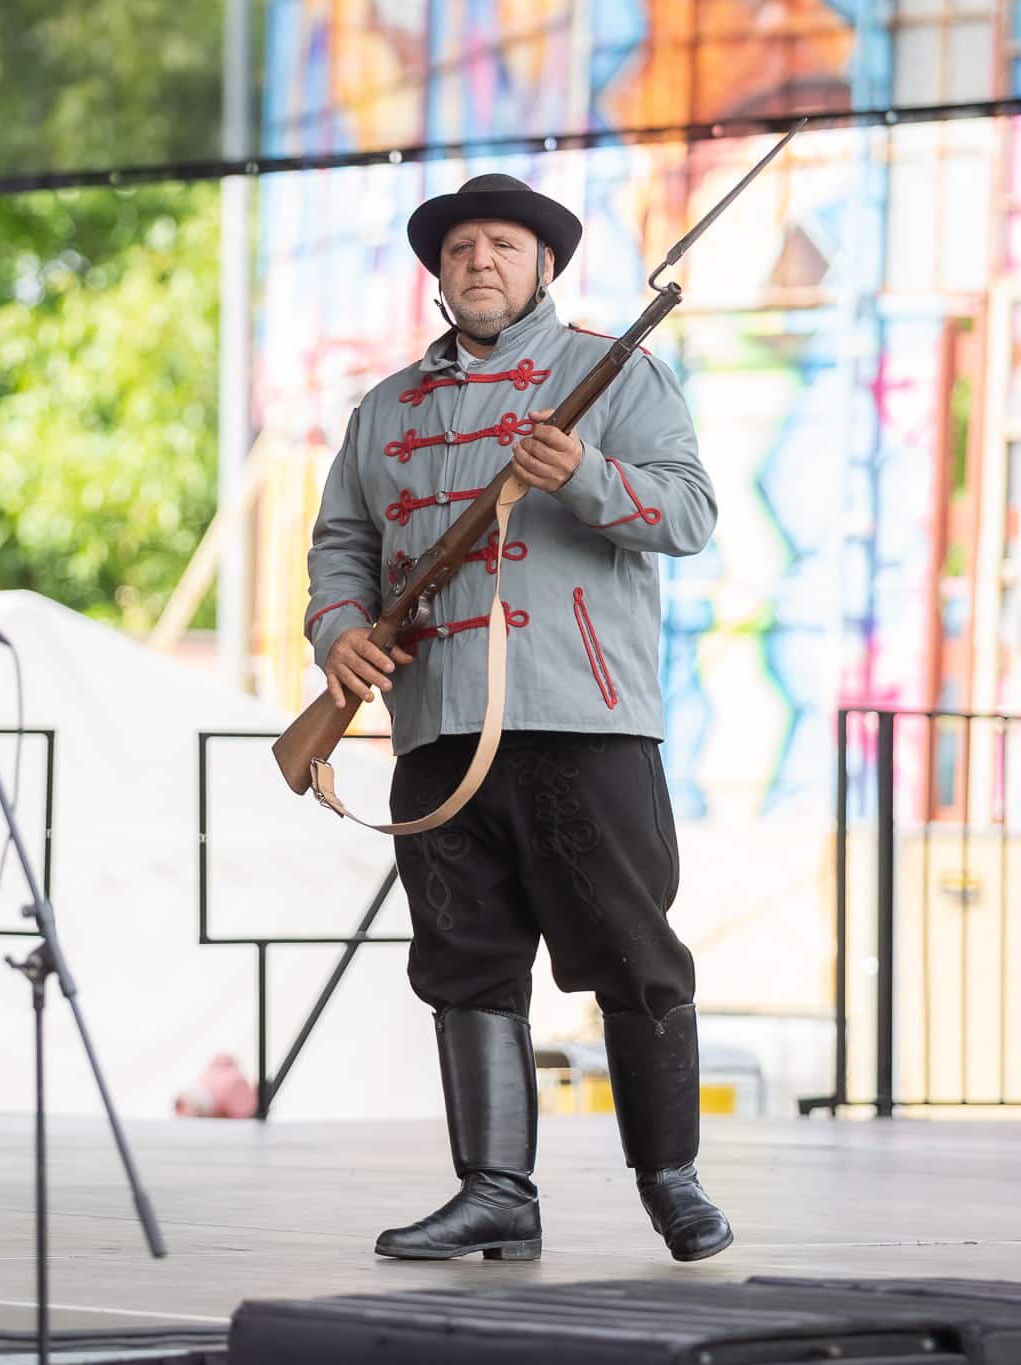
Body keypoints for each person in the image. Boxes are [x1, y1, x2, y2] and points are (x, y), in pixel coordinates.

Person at [302, 173, 732, 1263]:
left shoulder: (614, 370)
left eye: (501, 244)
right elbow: (342, 544)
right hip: (436, 727)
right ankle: (495, 1191)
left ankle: (671, 1182)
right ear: (439, 275)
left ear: (543, 265)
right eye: (458, 249)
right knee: (464, 959)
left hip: (581, 717)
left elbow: (688, 513)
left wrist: (586, 473)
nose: (478, 261)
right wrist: (338, 631)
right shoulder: (385, 407)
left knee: (631, 952)